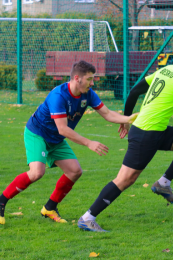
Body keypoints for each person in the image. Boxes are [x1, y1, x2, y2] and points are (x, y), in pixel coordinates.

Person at [77, 39, 173, 232]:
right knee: (125, 179)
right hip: (146, 133)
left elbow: (134, 91)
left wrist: (126, 118)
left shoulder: (166, 70)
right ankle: (88, 217)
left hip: (155, 129)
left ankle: (163, 183)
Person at [0, 60, 137, 225]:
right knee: (37, 172)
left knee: (74, 171)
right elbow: (63, 129)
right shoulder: (59, 96)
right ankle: (1, 201)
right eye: (89, 79)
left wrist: (127, 119)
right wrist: (88, 143)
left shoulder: (88, 94)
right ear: (77, 78)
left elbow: (107, 114)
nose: (92, 83)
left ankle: (50, 208)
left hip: (55, 138)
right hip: (37, 134)